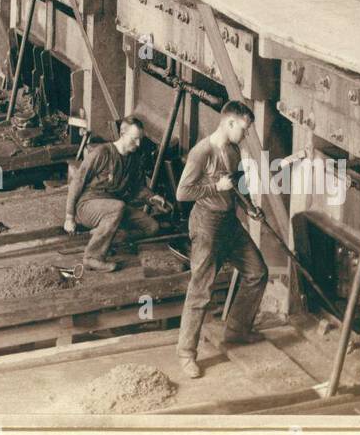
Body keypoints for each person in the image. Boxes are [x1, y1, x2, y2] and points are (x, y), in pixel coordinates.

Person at [174, 101, 268, 378]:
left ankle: (237, 330)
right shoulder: (201, 152)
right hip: (206, 224)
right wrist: (215, 186)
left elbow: (238, 184)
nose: (246, 134)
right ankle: (186, 353)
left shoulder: (233, 149)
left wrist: (250, 207)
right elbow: (182, 192)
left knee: (257, 272)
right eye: (244, 128)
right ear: (230, 123)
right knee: (202, 288)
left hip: (229, 222)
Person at [63, 115, 170, 272]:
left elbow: (136, 188)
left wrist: (152, 198)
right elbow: (77, 182)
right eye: (134, 139)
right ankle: (92, 257)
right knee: (118, 206)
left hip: (114, 209)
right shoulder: (102, 153)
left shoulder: (134, 159)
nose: (138, 144)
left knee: (151, 227)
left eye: (140, 139)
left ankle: (103, 236)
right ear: (122, 134)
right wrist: (69, 217)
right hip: (88, 206)